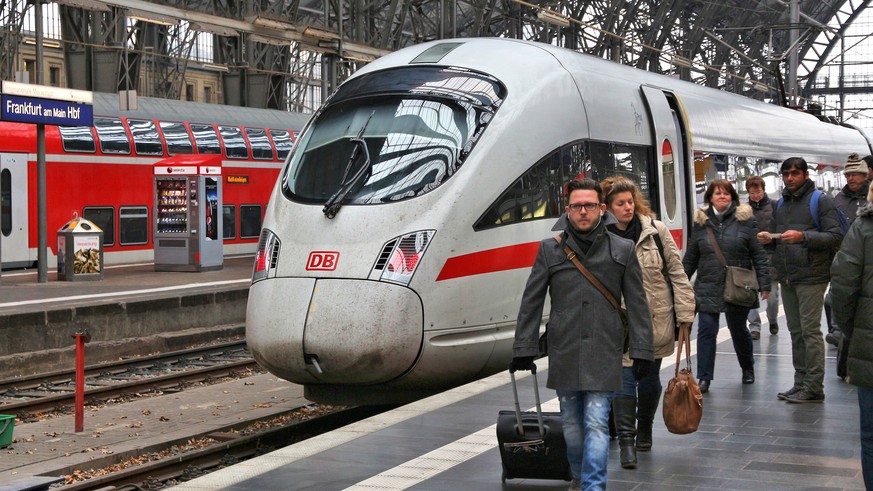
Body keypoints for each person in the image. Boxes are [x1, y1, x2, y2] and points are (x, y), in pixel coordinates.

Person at [511, 178, 654, 491]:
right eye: (578, 206)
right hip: (565, 349)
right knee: (573, 426)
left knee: (596, 422)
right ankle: (578, 476)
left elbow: (639, 304)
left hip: (605, 347)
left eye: (590, 205)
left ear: (602, 209)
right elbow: (531, 300)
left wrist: (643, 349)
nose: (584, 211)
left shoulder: (623, 248)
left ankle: (593, 486)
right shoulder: (550, 249)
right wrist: (524, 347)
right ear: (568, 209)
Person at [600, 177, 696, 469]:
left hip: (656, 316)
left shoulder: (655, 231)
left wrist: (685, 314)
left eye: (630, 202)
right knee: (625, 377)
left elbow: (677, 272)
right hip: (619, 321)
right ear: (608, 208)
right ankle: (628, 439)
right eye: (620, 204)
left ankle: (645, 426)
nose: (627, 208)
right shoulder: (600, 235)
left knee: (650, 377)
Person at [757, 157, 844, 404]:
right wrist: (769, 238)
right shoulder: (782, 203)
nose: (790, 178)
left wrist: (803, 236)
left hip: (812, 276)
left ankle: (814, 386)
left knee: (810, 331)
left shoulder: (820, 201)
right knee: (796, 332)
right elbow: (778, 235)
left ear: (805, 175)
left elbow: (835, 236)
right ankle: (800, 383)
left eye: (795, 173)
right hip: (788, 275)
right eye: (786, 174)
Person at [683, 179, 770, 394]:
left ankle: (747, 367)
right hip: (708, 285)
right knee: (706, 331)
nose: (722, 197)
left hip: (737, 286)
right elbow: (691, 256)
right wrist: (680, 282)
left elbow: (758, 255)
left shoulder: (746, 221)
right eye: (717, 194)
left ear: (732, 197)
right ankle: (704, 378)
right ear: (710, 197)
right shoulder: (701, 223)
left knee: (739, 330)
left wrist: (764, 283)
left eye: (726, 193)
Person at [830, 184, 873, 490]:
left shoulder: (864, 228)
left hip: (870, 346)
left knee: (871, 435)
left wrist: (850, 328)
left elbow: (842, 286)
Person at [825, 153, 869, 347]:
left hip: (867, 261)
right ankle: (837, 331)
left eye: (855, 174)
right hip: (843, 258)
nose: (851, 178)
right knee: (835, 297)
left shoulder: (871, 197)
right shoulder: (838, 200)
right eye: (848, 174)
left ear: (865, 175)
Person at [745, 176, 780, 340]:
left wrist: (771, 237)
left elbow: (783, 230)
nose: (756, 196)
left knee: (772, 297)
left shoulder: (775, 206)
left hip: (771, 258)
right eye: (752, 193)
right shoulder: (743, 210)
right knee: (750, 295)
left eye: (758, 192)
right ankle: (755, 327)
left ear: (764, 190)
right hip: (750, 258)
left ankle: (772, 319)